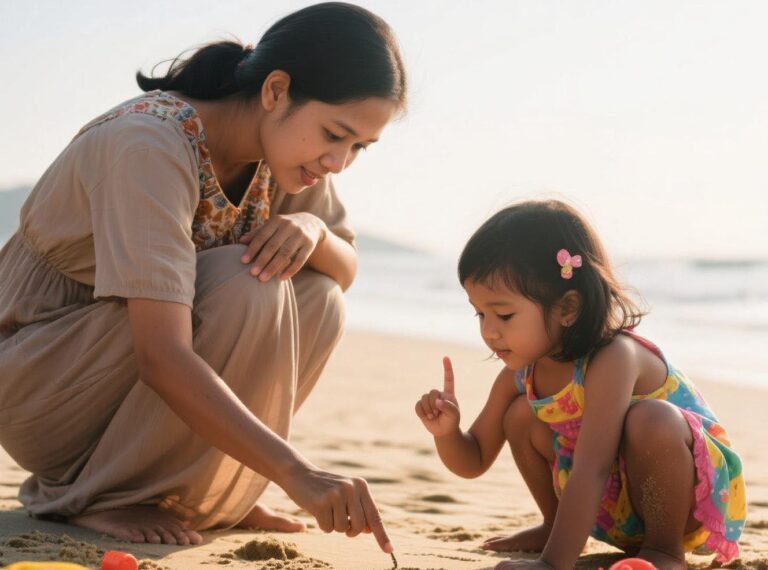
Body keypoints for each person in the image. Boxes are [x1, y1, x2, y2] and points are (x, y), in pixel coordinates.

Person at [0, 2, 406, 552]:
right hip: (40, 382)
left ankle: (204, 492)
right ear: (275, 90)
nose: (340, 162)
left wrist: (311, 226)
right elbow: (161, 355)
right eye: (336, 134)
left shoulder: (287, 153)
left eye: (359, 146)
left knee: (320, 293)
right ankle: (106, 495)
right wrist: (297, 473)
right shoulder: (148, 145)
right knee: (247, 282)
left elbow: (346, 269)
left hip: (113, 383)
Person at [415, 200, 745, 570]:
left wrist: (553, 565)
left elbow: (592, 466)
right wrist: (446, 432)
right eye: (480, 313)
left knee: (651, 419)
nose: (489, 331)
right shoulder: (521, 374)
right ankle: (554, 526)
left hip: (682, 501)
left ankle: (664, 552)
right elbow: (473, 459)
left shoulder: (613, 357)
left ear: (568, 308)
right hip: (609, 510)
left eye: (504, 314)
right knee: (521, 415)